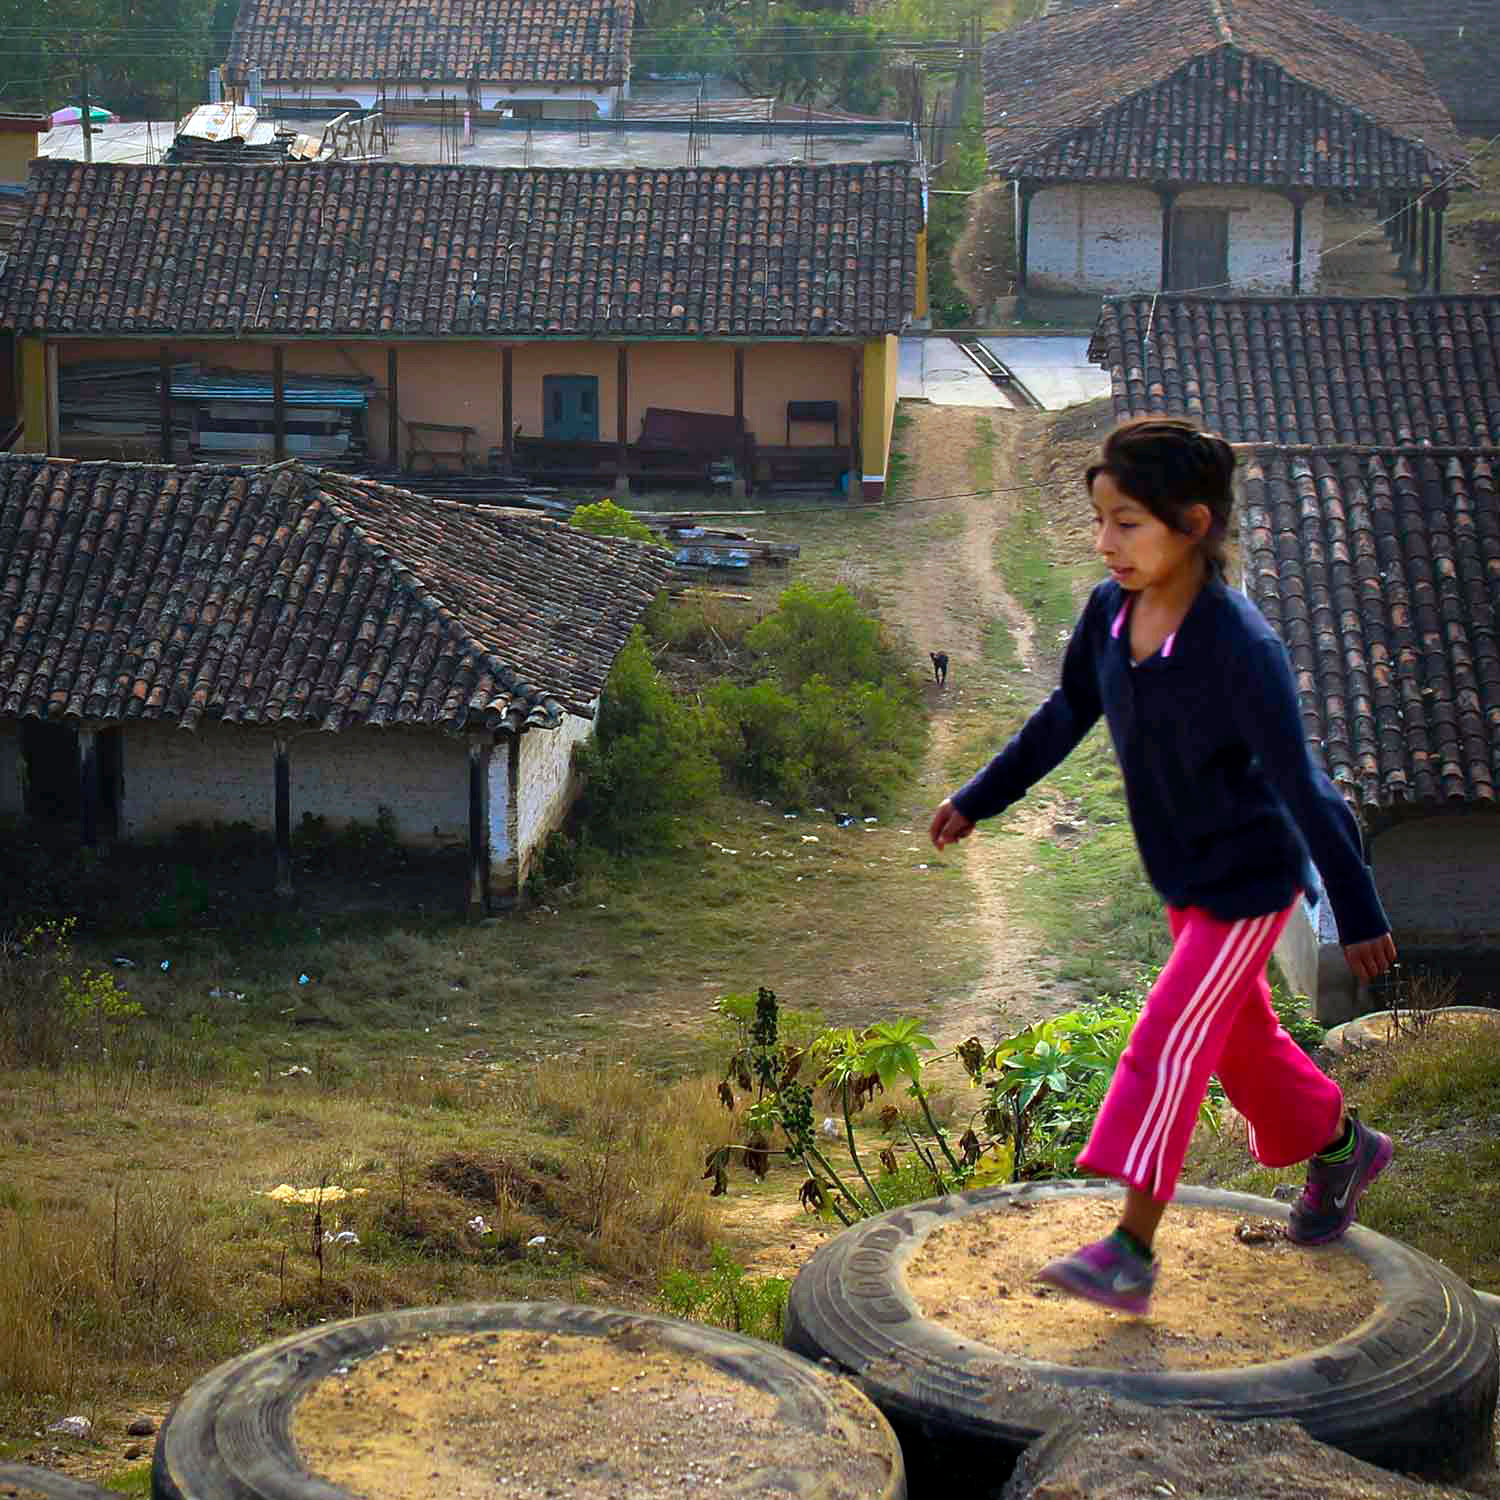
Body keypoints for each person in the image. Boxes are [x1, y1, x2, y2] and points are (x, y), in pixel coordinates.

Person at [928, 418, 1397, 1316]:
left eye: (1127, 523)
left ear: (1192, 524)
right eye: (1101, 520)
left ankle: (1130, 1249)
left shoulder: (1239, 647)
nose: (1105, 542)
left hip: (1249, 882)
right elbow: (1065, 713)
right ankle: (1343, 1148)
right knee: (1241, 1045)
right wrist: (981, 796)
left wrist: (1359, 907)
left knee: (1168, 1037)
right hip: (1183, 877)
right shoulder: (1111, 612)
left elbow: (1306, 787)